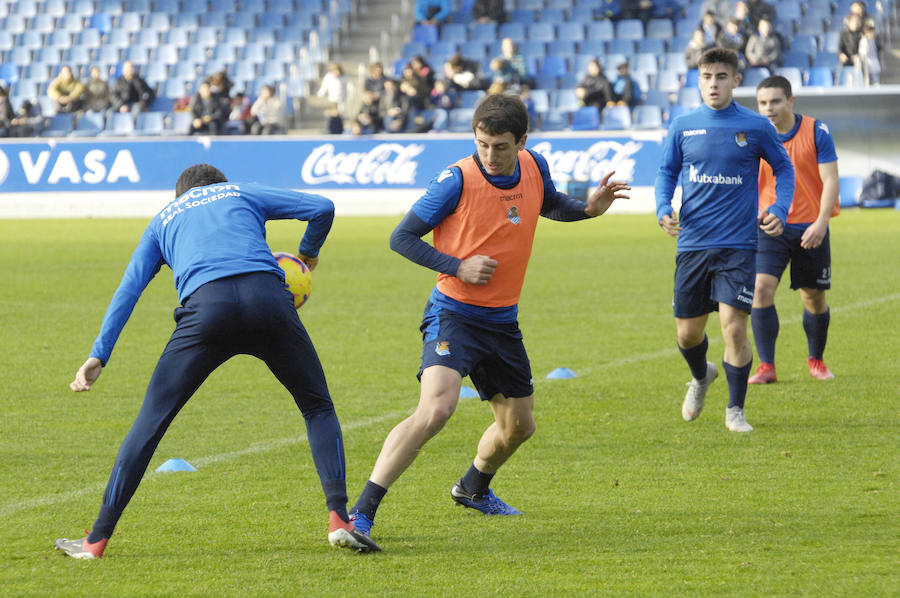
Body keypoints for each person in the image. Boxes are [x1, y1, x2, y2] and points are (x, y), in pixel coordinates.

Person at [55, 164, 379, 559]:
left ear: (179, 197)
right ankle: (338, 519)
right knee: (316, 407)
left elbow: (129, 290)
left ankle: (95, 541)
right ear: (220, 186)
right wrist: (307, 254)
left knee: (150, 423)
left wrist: (98, 355)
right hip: (268, 302)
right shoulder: (240, 193)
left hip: (205, 313)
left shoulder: (162, 221)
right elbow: (323, 206)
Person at [347, 94, 629, 540]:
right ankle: (359, 514)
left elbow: (548, 203)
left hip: (501, 321)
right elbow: (401, 237)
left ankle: (473, 487)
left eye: (500, 146)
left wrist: (588, 210)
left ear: (522, 141)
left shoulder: (533, 165)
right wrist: (456, 265)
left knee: (519, 427)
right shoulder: (456, 180)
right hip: (454, 313)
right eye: (482, 144)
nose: (490, 156)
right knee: (436, 409)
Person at [655, 47, 795, 433]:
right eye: (706, 77)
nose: (713, 84)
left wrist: (780, 210)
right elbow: (665, 172)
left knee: (734, 327)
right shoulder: (683, 126)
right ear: (697, 80)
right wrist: (663, 206)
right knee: (687, 334)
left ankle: (736, 410)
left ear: (735, 80)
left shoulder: (756, 126)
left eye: (720, 77)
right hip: (693, 244)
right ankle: (702, 376)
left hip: (738, 245)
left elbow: (784, 168)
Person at [749, 75, 839, 384]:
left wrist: (821, 223)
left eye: (774, 101)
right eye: (762, 103)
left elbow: (830, 180)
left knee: (813, 297)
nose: (768, 108)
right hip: (770, 227)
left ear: (791, 101)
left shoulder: (816, 131)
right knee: (760, 289)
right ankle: (766, 366)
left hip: (810, 227)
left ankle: (816, 359)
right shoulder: (753, 136)